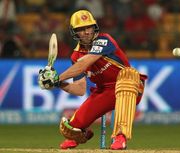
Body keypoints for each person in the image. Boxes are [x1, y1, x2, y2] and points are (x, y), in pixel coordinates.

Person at [38, 10, 147, 150]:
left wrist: (58, 76)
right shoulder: (75, 55)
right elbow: (79, 89)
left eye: (88, 27)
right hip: (105, 91)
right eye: (81, 29)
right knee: (70, 128)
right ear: (74, 32)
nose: (86, 32)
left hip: (131, 86)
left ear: (94, 27)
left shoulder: (104, 40)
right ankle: (80, 135)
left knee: (128, 76)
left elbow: (84, 63)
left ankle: (120, 137)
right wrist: (57, 83)